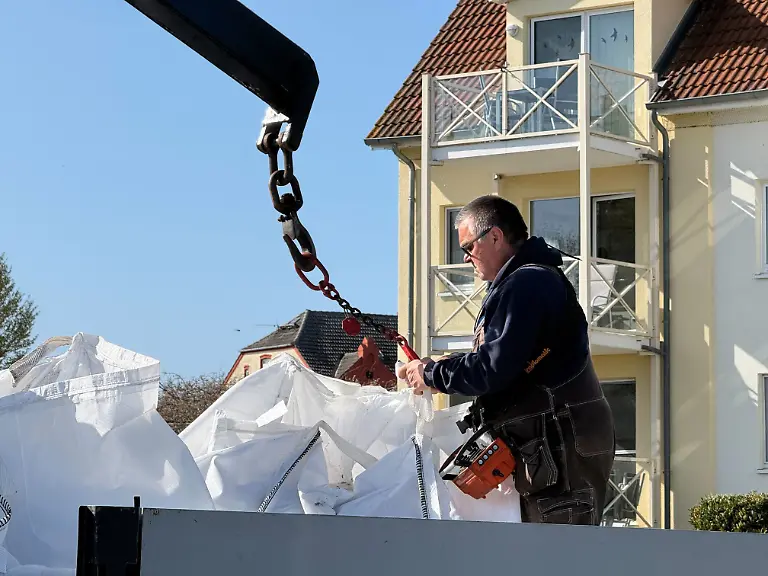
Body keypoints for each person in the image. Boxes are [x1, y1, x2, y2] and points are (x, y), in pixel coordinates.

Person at [397, 195, 615, 525]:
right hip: (553, 447)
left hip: (559, 450)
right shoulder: (529, 281)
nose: (467, 258)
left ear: (495, 237)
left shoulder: (526, 284)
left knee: (560, 558)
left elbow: (491, 369)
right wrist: (445, 365)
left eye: (468, 247)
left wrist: (431, 373)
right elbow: (505, 360)